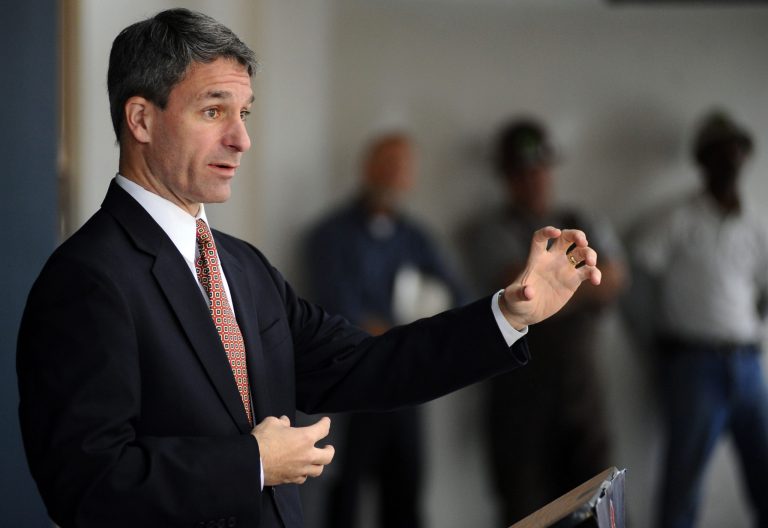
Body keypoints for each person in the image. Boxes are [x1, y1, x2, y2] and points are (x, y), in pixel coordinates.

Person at [16, 9, 601, 528]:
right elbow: (85, 487)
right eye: (213, 110)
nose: (241, 138)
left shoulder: (241, 266)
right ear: (141, 120)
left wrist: (507, 314)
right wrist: (251, 463)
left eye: (243, 112)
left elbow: (366, 365)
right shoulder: (86, 279)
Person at [461, 117, 627, 526]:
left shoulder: (580, 217)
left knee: (603, 509)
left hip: (582, 393)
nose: (534, 179)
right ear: (507, 177)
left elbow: (615, 279)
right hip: (520, 399)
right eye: (522, 172)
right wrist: (580, 279)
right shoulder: (489, 230)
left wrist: (552, 289)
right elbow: (519, 287)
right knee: (526, 511)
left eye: (539, 168)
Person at [304, 132, 467, 528]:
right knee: (345, 493)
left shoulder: (416, 238)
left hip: (406, 384)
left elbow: (457, 297)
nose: (394, 174)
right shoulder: (330, 235)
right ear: (368, 167)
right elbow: (338, 310)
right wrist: (398, 332)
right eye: (387, 163)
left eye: (403, 167)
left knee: (406, 491)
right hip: (351, 385)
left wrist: (408, 331)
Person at [630, 111, 768, 528]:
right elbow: (637, 270)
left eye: (736, 152)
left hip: (747, 364)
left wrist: (751, 322)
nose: (729, 160)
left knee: (765, 477)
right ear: (703, 161)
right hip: (694, 365)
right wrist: (653, 333)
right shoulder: (679, 218)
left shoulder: (755, 224)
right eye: (719, 153)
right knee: (683, 486)